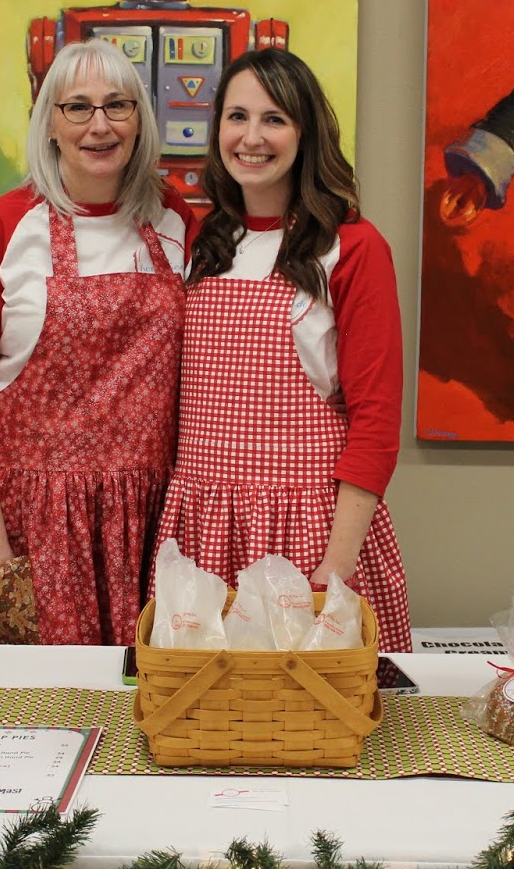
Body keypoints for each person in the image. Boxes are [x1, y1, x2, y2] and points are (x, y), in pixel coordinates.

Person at [0, 39, 191, 645]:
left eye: (117, 106)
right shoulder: (2, 227)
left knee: (147, 723)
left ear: (140, 120)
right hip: (31, 530)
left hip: (151, 524)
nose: (99, 125)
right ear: (48, 121)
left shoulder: (175, 220)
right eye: (78, 107)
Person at [157, 48, 413, 652]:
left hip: (308, 531)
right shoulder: (202, 241)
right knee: (206, 713)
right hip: (204, 524)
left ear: (307, 132)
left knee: (309, 716)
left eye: (274, 119)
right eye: (237, 117)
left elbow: (375, 424)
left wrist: (336, 568)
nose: (252, 137)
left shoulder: (351, 247)